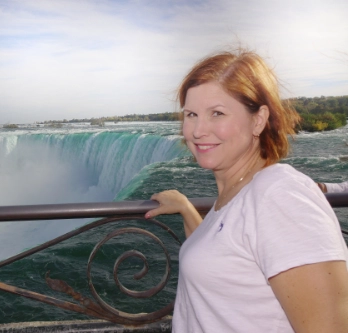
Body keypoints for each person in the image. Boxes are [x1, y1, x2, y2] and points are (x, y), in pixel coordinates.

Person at [145, 49, 348, 333]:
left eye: (217, 113)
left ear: (258, 120)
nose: (198, 130)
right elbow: (224, 253)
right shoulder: (238, 194)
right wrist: (185, 207)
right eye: (191, 114)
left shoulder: (280, 197)